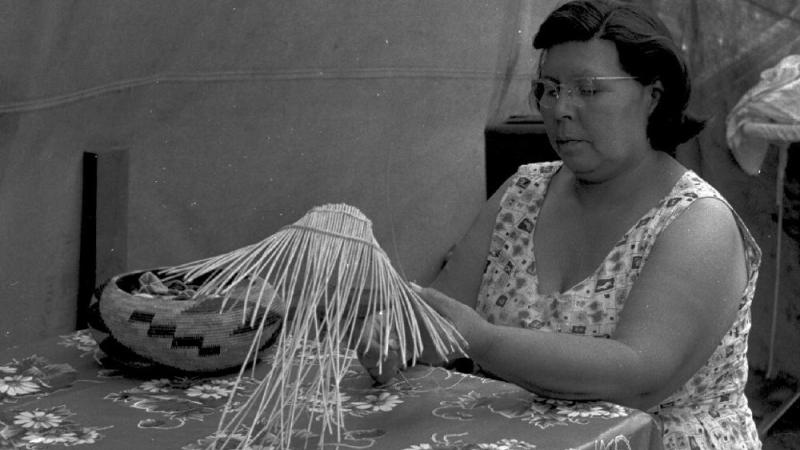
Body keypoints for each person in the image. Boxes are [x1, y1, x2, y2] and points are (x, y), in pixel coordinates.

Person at [357, 0, 763, 448]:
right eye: (548, 89)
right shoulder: (522, 193)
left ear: (653, 94)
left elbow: (639, 375)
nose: (560, 108)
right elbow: (442, 321)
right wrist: (399, 331)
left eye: (587, 89)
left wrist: (483, 340)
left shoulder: (698, 221)